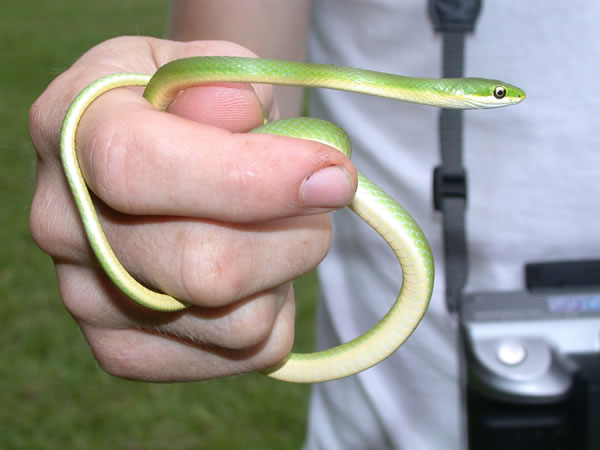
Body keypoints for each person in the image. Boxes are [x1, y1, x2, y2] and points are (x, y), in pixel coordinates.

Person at [29, 1, 600, 449]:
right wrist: (143, 148)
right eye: (496, 95)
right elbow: (222, 91)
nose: (504, 100)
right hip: (375, 423)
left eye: (500, 95)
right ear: (460, 95)